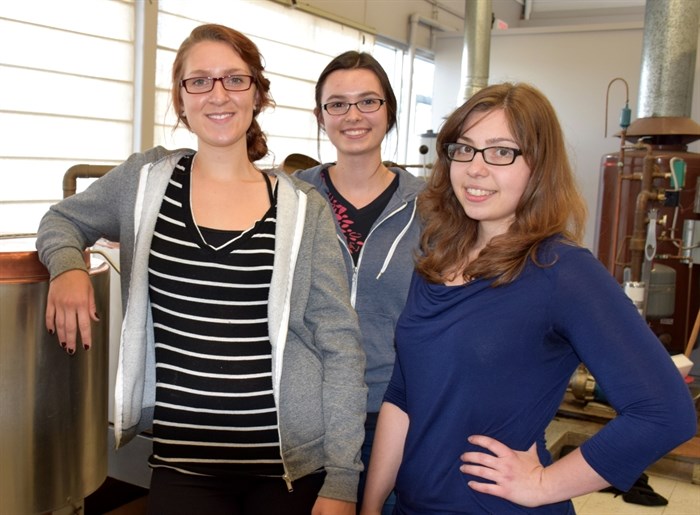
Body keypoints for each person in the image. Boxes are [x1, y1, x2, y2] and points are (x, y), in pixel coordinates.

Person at [36, 24, 367, 515]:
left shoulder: (302, 208)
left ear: (257, 94)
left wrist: (341, 480)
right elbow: (61, 219)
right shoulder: (145, 181)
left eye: (235, 79)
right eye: (200, 81)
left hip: (290, 469)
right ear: (181, 98)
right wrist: (67, 269)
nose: (219, 94)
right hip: (184, 464)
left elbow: (339, 346)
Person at [361, 82, 697, 514]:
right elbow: (403, 396)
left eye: (501, 152)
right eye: (464, 148)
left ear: (539, 166)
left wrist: (543, 483)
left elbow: (664, 412)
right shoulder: (435, 260)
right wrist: (371, 506)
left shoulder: (561, 270)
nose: (475, 168)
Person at [295, 50, 424, 514]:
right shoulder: (288, 198)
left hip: (397, 409)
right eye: (337, 104)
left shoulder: (432, 208)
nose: (353, 115)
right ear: (320, 116)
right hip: (305, 411)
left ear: (389, 111)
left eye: (368, 102)